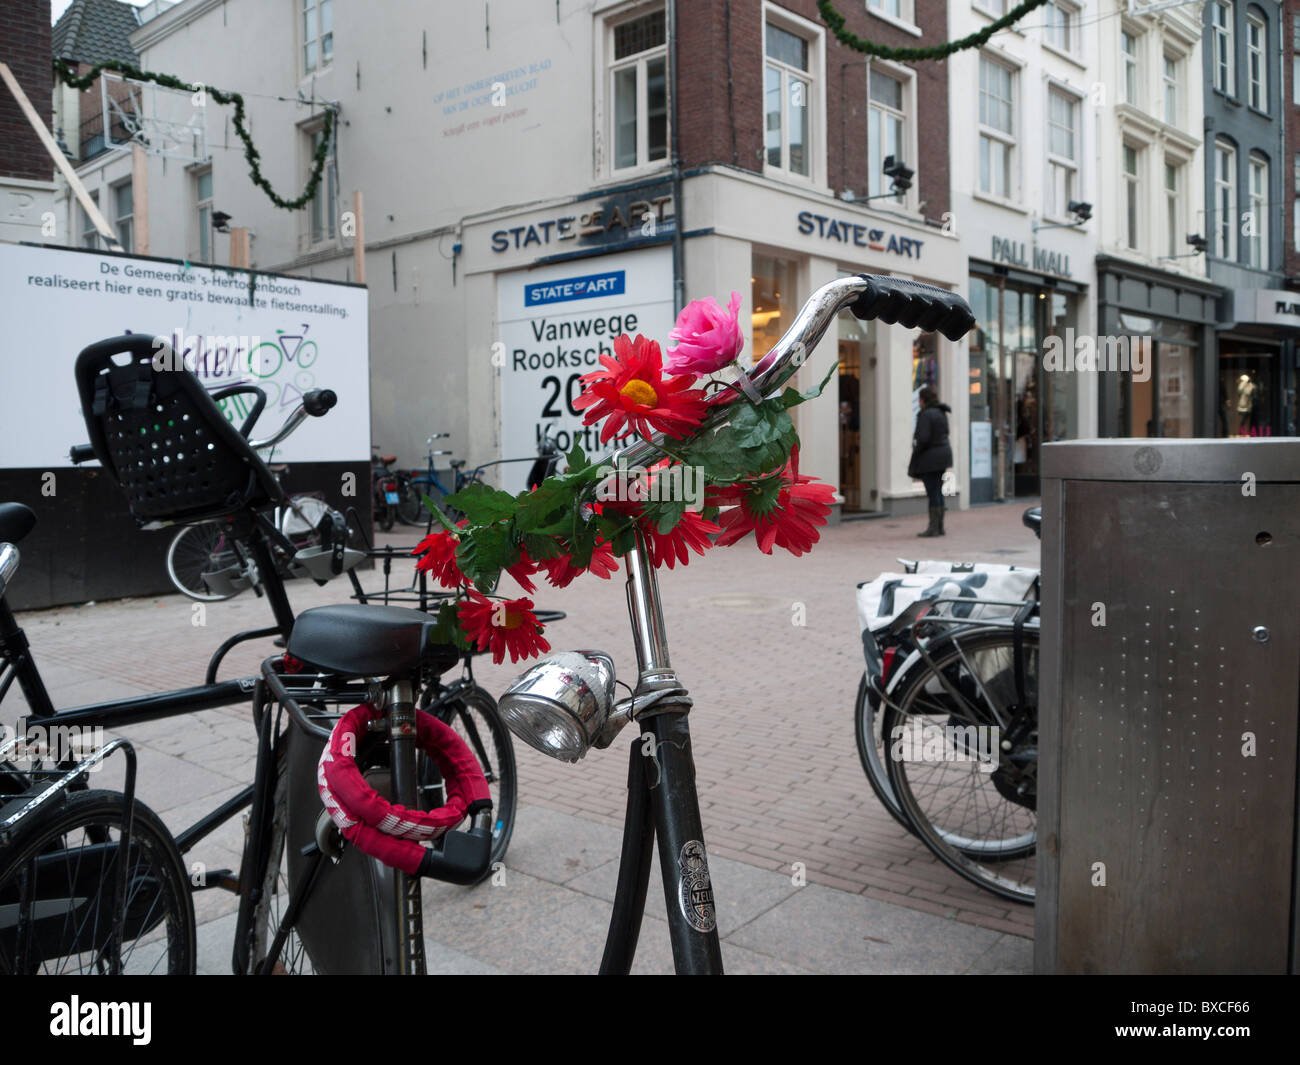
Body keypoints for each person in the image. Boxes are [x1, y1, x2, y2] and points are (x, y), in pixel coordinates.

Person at [908, 386, 952, 538]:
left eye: (919, 400)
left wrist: (917, 448)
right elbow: (946, 433)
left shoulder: (926, 414)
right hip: (943, 456)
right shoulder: (941, 412)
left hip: (931, 459)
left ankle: (933, 528)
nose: (918, 403)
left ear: (922, 400)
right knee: (938, 491)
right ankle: (939, 527)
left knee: (933, 492)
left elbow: (923, 439)